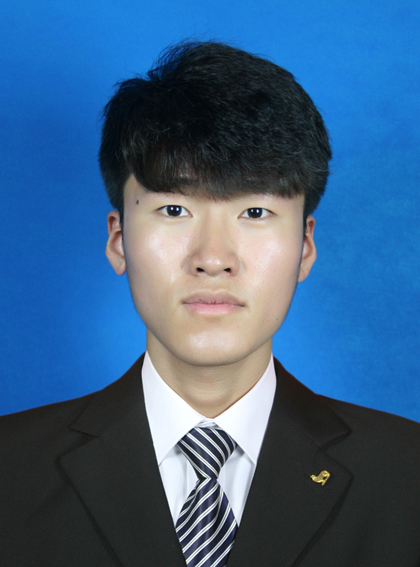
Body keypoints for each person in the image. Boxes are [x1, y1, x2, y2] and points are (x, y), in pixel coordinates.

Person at [1, 40, 419, 567]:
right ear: (119, 240)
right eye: (174, 209)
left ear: (305, 247)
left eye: (255, 213)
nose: (213, 259)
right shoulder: (10, 471)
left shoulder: (407, 474)